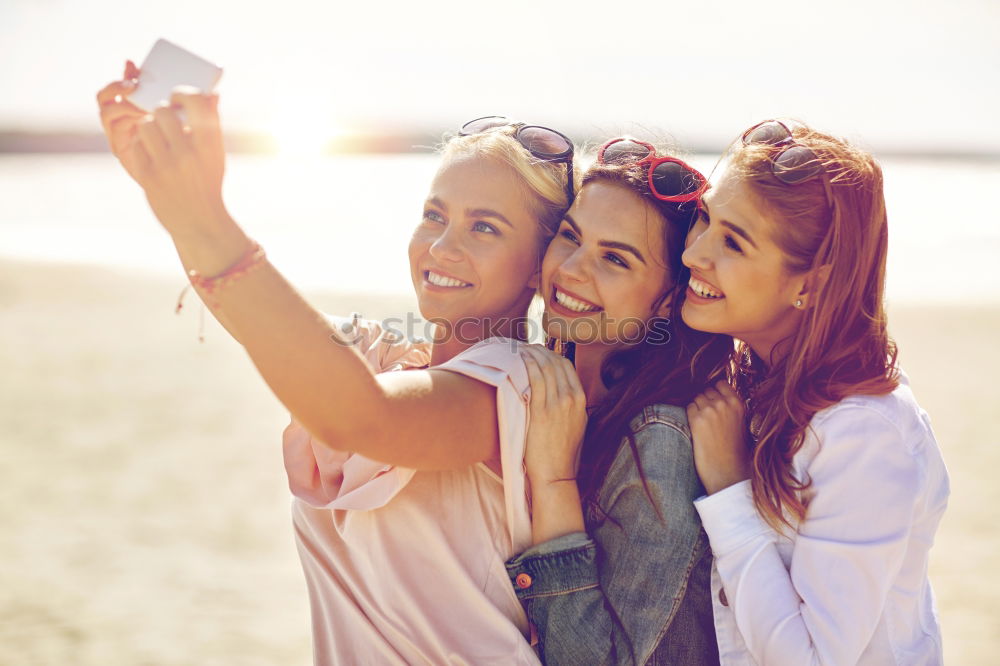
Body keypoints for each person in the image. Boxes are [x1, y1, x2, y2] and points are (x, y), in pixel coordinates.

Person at [97, 59, 575, 662]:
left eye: (484, 227)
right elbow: (264, 324)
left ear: (539, 266)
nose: (442, 246)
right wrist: (167, 192)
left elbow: (360, 419)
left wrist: (205, 215)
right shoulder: (383, 357)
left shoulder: (516, 389)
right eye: (434, 215)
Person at [682, 119, 950, 665]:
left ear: (810, 283)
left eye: (732, 242)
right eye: (705, 219)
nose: (694, 254)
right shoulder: (749, 381)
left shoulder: (864, 434)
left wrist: (730, 486)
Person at [503, 138, 732, 664]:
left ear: (670, 302)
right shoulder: (549, 380)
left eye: (614, 258)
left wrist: (552, 481)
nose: (572, 269)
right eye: (570, 236)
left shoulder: (659, 440)